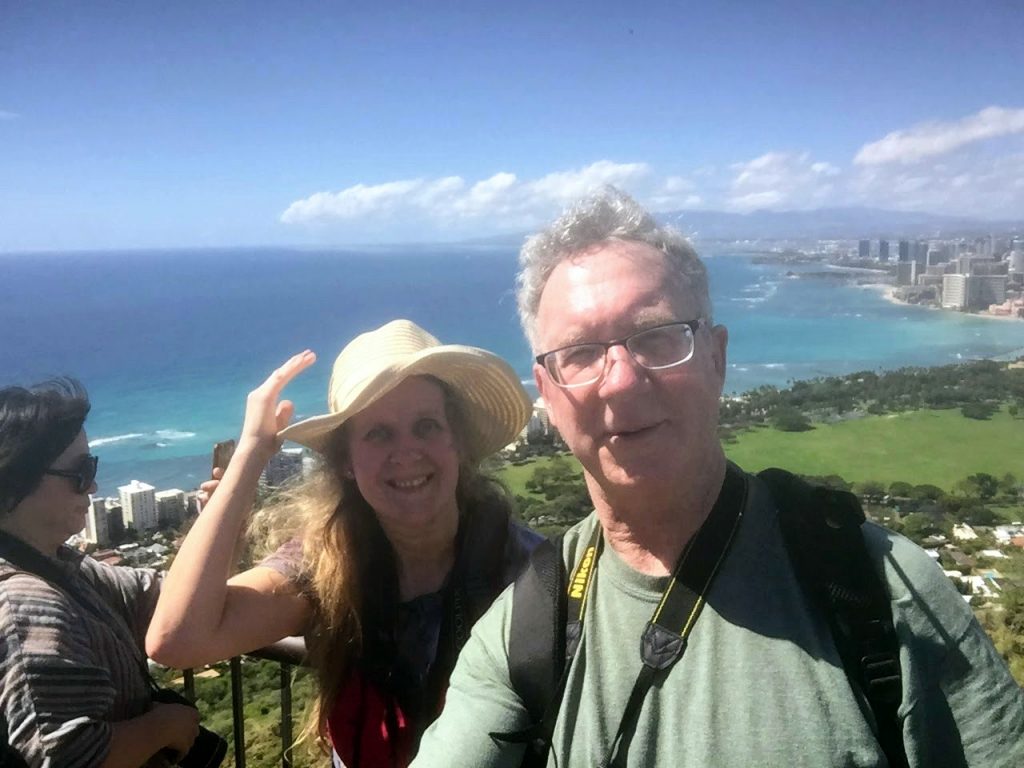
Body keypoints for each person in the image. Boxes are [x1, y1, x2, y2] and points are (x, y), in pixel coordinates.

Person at [411, 188, 1024, 768]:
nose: (620, 380)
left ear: (717, 357)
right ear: (547, 393)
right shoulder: (526, 624)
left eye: (656, 338)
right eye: (580, 353)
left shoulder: (879, 589)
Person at [147, 319, 540, 766]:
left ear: (459, 445)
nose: (406, 451)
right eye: (378, 433)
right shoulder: (326, 563)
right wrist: (252, 451)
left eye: (427, 426)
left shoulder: (528, 571)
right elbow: (177, 641)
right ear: (347, 462)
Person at [0, 378, 200, 767]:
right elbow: (65, 757)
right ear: (13, 483)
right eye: (79, 471)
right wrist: (162, 727)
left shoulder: (61, 565)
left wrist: (222, 522)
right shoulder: (25, 602)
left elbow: (165, 596)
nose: (92, 485)